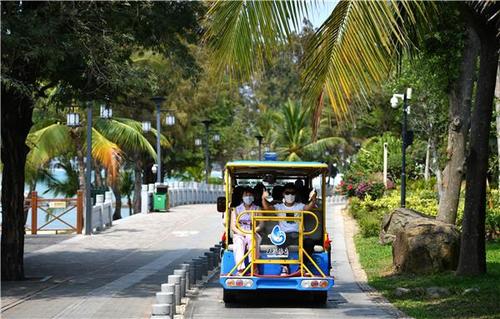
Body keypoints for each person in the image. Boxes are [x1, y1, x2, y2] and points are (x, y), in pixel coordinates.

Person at [261, 182, 316, 276]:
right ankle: (284, 267)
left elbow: (308, 207)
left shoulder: (299, 206)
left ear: (296, 194)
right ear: (283, 194)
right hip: (284, 235)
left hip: (298, 234)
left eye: (292, 193)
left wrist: (313, 199)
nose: (290, 195)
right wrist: (263, 198)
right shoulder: (279, 207)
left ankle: (302, 267)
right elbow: (267, 208)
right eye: (287, 193)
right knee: (280, 241)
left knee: (309, 242)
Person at [230, 187, 263, 275]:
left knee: (252, 241)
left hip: (252, 231)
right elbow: (233, 226)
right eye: (246, 195)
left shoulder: (257, 208)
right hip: (240, 232)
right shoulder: (236, 209)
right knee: (238, 244)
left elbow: (261, 224)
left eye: (250, 195)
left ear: (253, 197)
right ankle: (240, 269)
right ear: (242, 197)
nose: (248, 197)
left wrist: (253, 231)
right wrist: (241, 232)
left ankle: (254, 267)